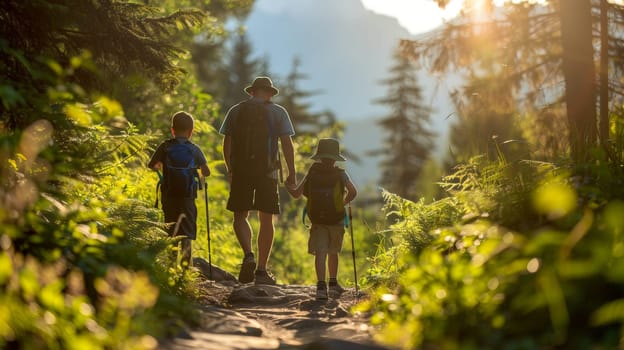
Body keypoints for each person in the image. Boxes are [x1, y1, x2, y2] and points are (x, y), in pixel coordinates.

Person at [219, 76, 296, 285]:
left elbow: (227, 143)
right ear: (270, 93)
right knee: (266, 219)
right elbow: (287, 145)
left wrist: (231, 169)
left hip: (242, 171)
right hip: (268, 172)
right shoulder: (278, 112)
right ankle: (261, 270)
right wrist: (292, 172)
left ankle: (248, 255)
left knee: (240, 215)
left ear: (252, 92)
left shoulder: (236, 111)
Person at [287, 138, 357, 300]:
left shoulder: (313, 172)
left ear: (319, 156)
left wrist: (289, 185)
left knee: (320, 252)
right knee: (333, 251)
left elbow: (297, 194)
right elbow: (353, 192)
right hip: (337, 219)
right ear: (335, 158)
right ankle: (333, 283)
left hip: (317, 220)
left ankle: (320, 287)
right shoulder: (341, 173)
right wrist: (342, 203)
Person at [148, 111, 210, 268]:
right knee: (186, 233)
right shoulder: (194, 149)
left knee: (171, 231)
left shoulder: (165, 146)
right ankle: (184, 272)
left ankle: (170, 268)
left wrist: (161, 169)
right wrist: (198, 175)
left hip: (169, 196)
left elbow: (151, 165)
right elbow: (207, 171)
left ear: (173, 130)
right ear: (191, 131)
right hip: (188, 198)